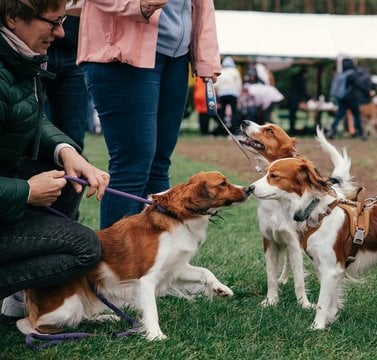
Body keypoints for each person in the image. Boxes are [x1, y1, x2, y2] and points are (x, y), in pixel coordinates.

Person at [0, 0, 109, 317]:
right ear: (13, 17)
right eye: (53, 22)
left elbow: (28, 116)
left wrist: (67, 151)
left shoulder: (18, 57)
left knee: (61, 172)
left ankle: (25, 298)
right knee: (84, 247)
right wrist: (27, 192)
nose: (61, 33)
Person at [78, 0, 221, 229]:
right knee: (133, 165)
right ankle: (117, 259)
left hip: (176, 59)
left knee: (159, 164)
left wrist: (206, 57)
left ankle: (157, 257)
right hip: (122, 55)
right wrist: (136, 5)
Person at [41, 1, 90, 149]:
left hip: (74, 51)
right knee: (31, 122)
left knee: (73, 132)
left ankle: (70, 170)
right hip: (36, 46)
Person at [329, 58, 364, 139]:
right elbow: (358, 85)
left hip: (341, 98)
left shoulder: (341, 74)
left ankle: (331, 130)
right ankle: (361, 134)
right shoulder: (352, 74)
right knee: (357, 115)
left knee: (339, 115)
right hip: (351, 98)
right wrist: (367, 90)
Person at [215, 56, 242, 135]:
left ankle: (222, 131)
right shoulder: (235, 71)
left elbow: (216, 86)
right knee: (234, 113)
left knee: (221, 113)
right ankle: (234, 131)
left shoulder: (220, 71)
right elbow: (239, 85)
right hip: (233, 94)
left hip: (222, 94)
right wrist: (238, 97)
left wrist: (217, 98)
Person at [287, 67, 309, 135]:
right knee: (293, 115)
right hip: (295, 99)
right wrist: (309, 98)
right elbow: (303, 91)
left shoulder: (294, 79)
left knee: (291, 115)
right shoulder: (301, 80)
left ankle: (291, 129)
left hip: (290, 98)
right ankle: (292, 130)